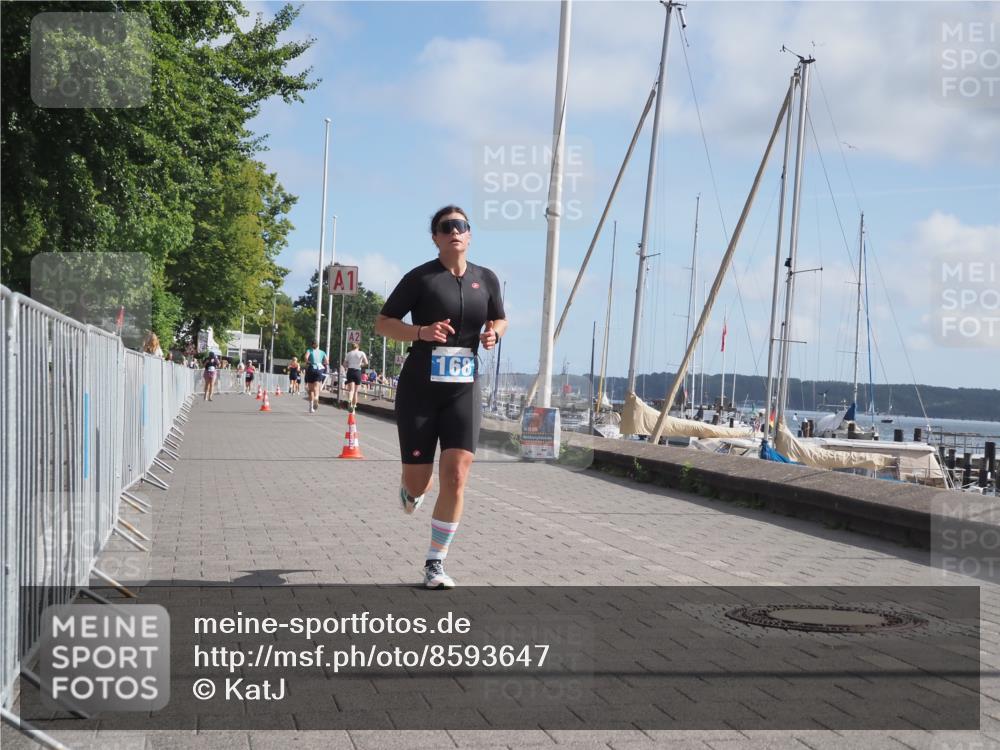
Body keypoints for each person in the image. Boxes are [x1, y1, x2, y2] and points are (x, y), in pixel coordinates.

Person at [374, 205, 506, 589]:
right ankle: (409, 490)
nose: (455, 231)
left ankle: (436, 562)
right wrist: (421, 332)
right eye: (446, 227)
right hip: (420, 388)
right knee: (420, 484)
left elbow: (500, 317)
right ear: (435, 237)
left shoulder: (487, 278)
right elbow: (383, 323)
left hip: (463, 388)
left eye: (461, 226)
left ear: (469, 235)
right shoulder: (420, 278)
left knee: (458, 473)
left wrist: (494, 333)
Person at [302, 341, 328, 413]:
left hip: (311, 369)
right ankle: (316, 397)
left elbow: (306, 357)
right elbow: (327, 361)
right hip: (319, 369)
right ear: (317, 345)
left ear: (312, 345)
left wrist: (308, 361)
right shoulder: (322, 352)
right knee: (316, 386)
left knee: (311, 390)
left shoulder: (309, 350)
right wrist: (322, 363)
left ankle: (311, 408)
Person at [343, 343, 369, 411]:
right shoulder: (361, 353)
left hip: (350, 371)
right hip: (357, 371)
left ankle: (349, 401)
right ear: (358, 347)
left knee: (351, 390)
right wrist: (360, 365)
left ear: (351, 347)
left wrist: (348, 366)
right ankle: (354, 407)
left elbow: (344, 364)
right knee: (356, 391)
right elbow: (366, 363)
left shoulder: (348, 353)